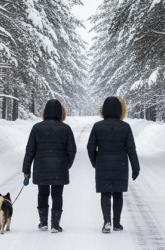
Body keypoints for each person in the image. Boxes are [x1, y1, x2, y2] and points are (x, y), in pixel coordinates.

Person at [87, 96, 140, 233]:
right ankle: (116, 223)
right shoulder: (125, 127)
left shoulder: (97, 126)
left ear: (103, 109)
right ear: (120, 110)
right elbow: (131, 149)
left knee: (105, 193)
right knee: (118, 194)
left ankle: (106, 222)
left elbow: (90, 147)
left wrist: (95, 162)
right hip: (120, 164)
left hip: (103, 163)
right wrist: (135, 168)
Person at [22, 99, 76, 233]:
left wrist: (26, 169)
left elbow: (30, 150)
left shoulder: (37, 127)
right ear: (61, 112)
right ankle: (55, 224)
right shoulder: (66, 128)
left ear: (45, 111)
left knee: (42, 193)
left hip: (41, 166)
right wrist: (66, 164)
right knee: (58, 195)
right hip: (59, 167)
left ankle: (43, 222)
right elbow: (72, 150)